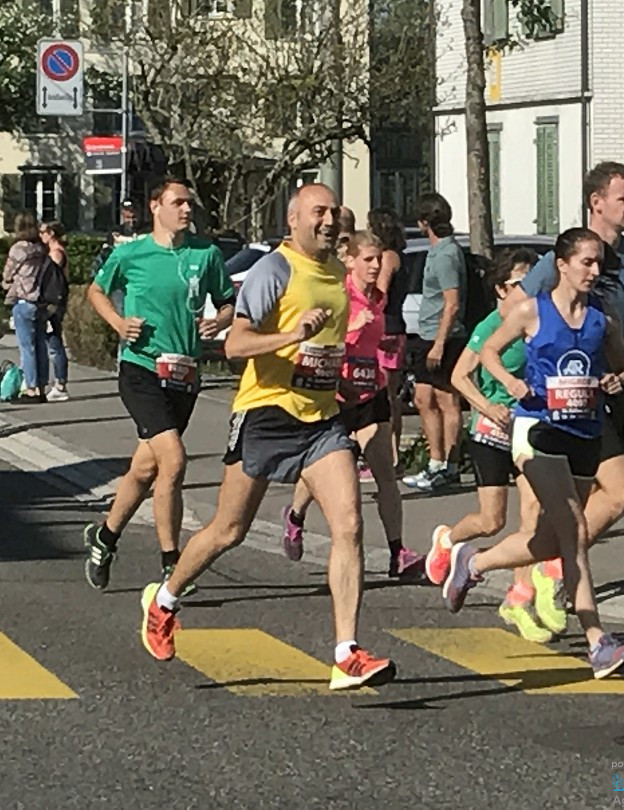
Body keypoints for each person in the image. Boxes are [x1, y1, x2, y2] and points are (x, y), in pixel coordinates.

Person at [138, 183, 396, 692]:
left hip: (321, 420)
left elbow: (326, 351)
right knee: (228, 531)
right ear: (294, 218)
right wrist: (293, 336)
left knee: (349, 524)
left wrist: (343, 377)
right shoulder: (273, 270)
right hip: (265, 415)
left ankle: (346, 652)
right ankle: (164, 600)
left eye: (333, 212)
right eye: (318, 212)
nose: (328, 220)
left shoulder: (338, 276)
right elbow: (235, 343)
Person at [442, 227, 624, 678]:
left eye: (598, 264)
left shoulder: (602, 317)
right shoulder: (531, 311)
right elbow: (490, 352)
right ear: (562, 264)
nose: (593, 271)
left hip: (584, 430)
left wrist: (618, 380)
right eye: (586, 262)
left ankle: (474, 562)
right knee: (572, 530)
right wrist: (511, 384)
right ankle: (598, 642)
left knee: (550, 540)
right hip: (537, 430)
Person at [507, 162, 624, 628]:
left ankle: (548, 570)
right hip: (553, 396)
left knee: (605, 497)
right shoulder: (562, 257)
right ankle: (533, 581)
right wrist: (507, 383)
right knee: (557, 502)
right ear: (596, 202)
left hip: (607, 392)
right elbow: (515, 315)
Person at [83, 177, 235, 591]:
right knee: (174, 460)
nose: (187, 210)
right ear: (156, 207)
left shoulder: (206, 255)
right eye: (178, 203)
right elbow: (96, 290)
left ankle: (105, 535)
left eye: (189, 204)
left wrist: (218, 321)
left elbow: (227, 303)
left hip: (184, 374)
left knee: (145, 467)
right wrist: (118, 323)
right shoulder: (131, 253)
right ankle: (172, 563)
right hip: (140, 369)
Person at [281, 230, 425, 578]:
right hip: (337, 395)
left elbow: (372, 345)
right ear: (350, 261)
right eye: (369, 260)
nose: (376, 266)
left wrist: (383, 355)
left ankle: (397, 552)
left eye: (379, 259)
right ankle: (296, 515)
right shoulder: (339, 296)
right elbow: (317, 343)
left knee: (385, 474)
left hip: (369, 393)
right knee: (320, 472)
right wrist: (350, 330)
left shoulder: (377, 299)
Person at [427, 248, 550, 641]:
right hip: (492, 431)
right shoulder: (490, 326)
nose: (529, 289)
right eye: (520, 283)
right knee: (491, 521)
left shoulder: (537, 320)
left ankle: (519, 597)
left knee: (532, 514)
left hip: (528, 429)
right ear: (501, 289)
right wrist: (488, 406)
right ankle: (448, 539)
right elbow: (461, 377)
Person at [403, 193, 467, 492]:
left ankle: (449, 466)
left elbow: (451, 303)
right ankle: (435, 462)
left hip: (443, 337)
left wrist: (440, 343)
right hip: (427, 333)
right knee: (423, 398)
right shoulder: (438, 251)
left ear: (424, 223)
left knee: (447, 399)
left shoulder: (446, 255)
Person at [368, 208, 410, 472]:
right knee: (387, 394)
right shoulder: (397, 256)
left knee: (385, 394)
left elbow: (380, 294)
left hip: (387, 328)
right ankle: (389, 453)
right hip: (395, 326)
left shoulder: (388, 258)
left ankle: (389, 455)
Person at [2, 211, 49, 402]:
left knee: (26, 347)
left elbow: (7, 274)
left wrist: (7, 284)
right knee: (40, 346)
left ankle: (30, 388)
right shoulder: (41, 248)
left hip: (24, 300)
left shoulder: (18, 249)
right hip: (41, 301)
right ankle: (42, 387)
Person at [39, 221, 70, 403]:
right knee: (52, 340)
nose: (40, 235)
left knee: (54, 342)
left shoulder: (56, 254)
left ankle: (60, 383)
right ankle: (58, 382)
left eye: (43, 232)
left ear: (51, 233)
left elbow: (54, 280)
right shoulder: (52, 253)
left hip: (53, 304)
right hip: (54, 302)